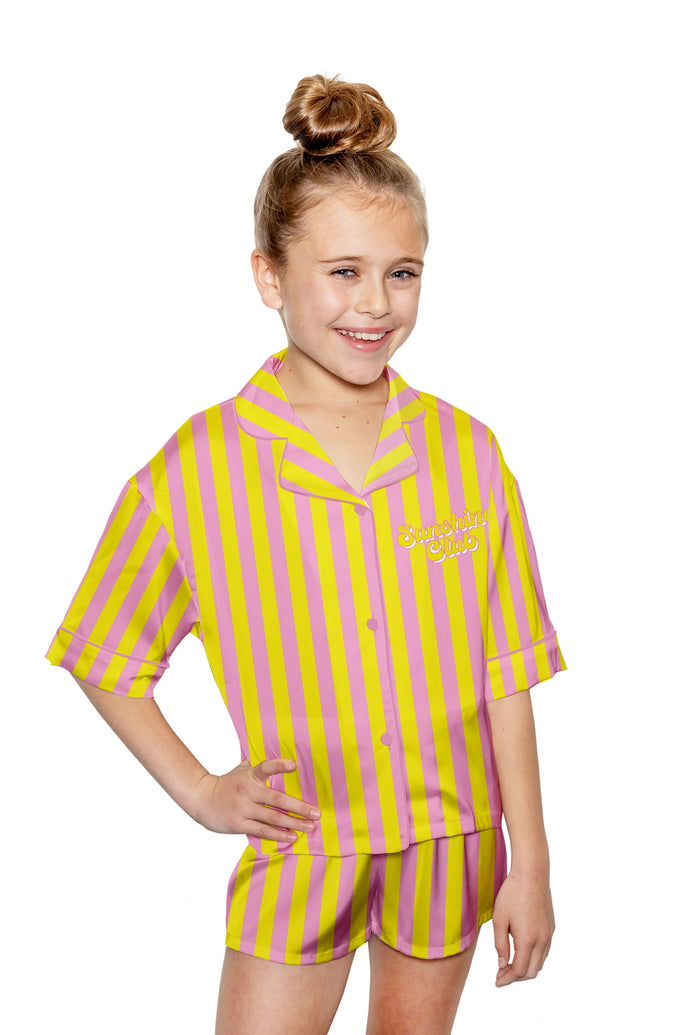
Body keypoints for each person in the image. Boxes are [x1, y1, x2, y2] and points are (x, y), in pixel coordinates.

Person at [46, 74, 565, 1035]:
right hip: (303, 842)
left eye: (403, 272)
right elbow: (103, 651)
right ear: (269, 277)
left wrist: (528, 863)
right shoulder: (199, 467)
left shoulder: (467, 452)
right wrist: (202, 790)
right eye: (344, 271)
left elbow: (506, 671)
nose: (376, 303)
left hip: (453, 841)